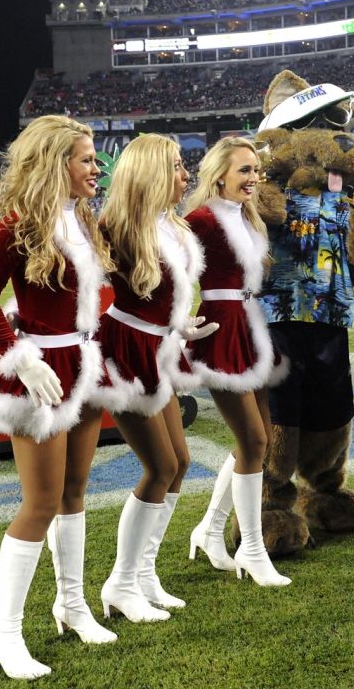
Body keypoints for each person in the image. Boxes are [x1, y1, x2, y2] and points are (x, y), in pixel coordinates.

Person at [0, 115, 113, 680]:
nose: (96, 167)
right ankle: (2, 631)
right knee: (41, 502)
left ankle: (71, 606)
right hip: (40, 371)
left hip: (83, 365)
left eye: (95, 158)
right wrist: (21, 360)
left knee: (75, 491)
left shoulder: (84, 219)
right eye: (86, 158)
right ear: (57, 164)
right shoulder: (19, 224)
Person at [87, 134, 216, 623]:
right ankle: (120, 582)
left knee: (180, 462)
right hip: (127, 350)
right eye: (179, 166)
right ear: (153, 172)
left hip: (160, 348)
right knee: (160, 465)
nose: (186, 175)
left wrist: (181, 325)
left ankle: (143, 573)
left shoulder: (172, 225)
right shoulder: (116, 225)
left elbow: (165, 297)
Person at [182, 137, 290, 586]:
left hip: (251, 326)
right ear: (220, 173)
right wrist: (176, 321)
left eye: (256, 170)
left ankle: (209, 529)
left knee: (260, 438)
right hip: (220, 329)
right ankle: (251, 548)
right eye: (243, 170)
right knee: (253, 442)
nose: (252, 178)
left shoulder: (249, 218)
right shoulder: (202, 219)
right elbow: (169, 268)